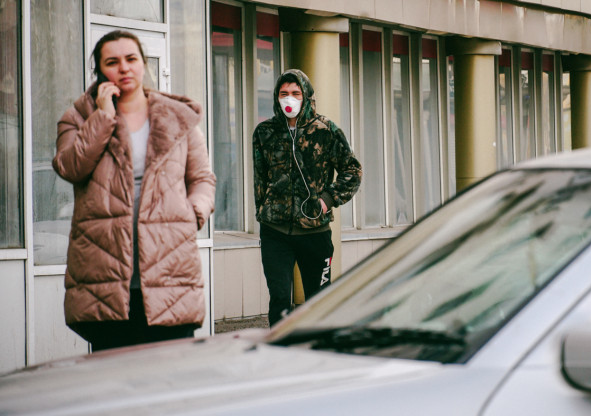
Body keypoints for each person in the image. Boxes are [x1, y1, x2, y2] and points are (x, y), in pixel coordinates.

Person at [53, 30, 216, 351]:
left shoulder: (178, 117)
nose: (124, 68)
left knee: (169, 369)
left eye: (131, 59)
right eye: (112, 62)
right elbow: (70, 168)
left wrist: (191, 214)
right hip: (106, 275)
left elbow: (202, 179)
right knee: (113, 371)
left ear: (143, 64)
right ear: (100, 71)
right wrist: (102, 116)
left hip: (169, 269)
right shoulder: (78, 117)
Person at [253, 69, 362, 326]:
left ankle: (317, 344)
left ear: (306, 96)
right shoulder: (265, 132)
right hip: (275, 231)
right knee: (280, 298)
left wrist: (327, 199)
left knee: (318, 299)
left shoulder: (325, 130)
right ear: (276, 97)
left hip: (314, 231)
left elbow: (352, 170)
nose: (289, 99)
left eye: (295, 93)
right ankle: (280, 345)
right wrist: (264, 210)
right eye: (283, 94)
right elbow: (260, 178)